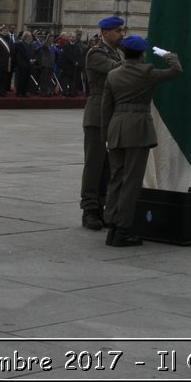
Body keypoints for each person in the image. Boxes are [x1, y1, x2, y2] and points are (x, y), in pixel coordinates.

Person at [100, 34, 185, 247]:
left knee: (116, 179)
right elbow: (177, 71)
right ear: (142, 54)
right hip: (138, 130)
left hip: (116, 129)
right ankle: (123, 229)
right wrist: (169, 55)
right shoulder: (147, 72)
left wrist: (106, 135)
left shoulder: (113, 74)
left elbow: (105, 108)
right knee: (131, 181)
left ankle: (111, 225)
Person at [79, 16, 127, 231]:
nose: (121, 34)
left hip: (114, 113)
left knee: (109, 165)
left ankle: (102, 206)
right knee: (94, 163)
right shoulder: (96, 52)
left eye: (121, 30)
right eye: (117, 31)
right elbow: (118, 71)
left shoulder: (118, 53)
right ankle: (89, 209)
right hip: (97, 113)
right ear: (105, 32)